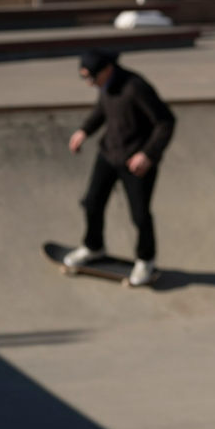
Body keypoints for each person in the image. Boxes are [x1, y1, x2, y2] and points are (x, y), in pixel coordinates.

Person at [61, 50, 176, 287]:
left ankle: (146, 259)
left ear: (107, 70)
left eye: (91, 78)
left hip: (136, 162)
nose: (89, 83)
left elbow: (166, 121)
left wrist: (148, 154)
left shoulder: (136, 88)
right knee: (92, 202)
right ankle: (94, 247)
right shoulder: (106, 86)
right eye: (84, 78)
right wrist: (85, 131)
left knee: (140, 215)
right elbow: (102, 110)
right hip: (109, 154)